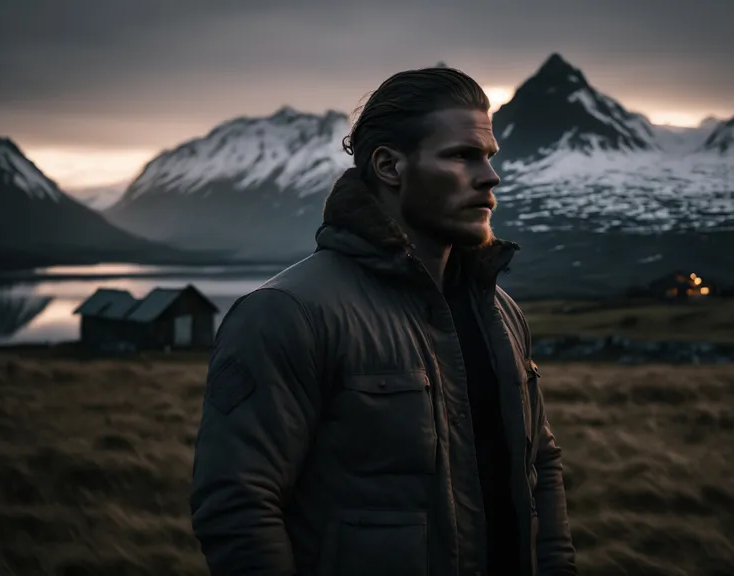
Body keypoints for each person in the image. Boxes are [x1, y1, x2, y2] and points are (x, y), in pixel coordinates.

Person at [190, 66, 577, 576]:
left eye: (488, 157)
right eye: (462, 156)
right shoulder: (287, 313)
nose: (490, 176)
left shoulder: (501, 312)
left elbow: (539, 472)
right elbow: (239, 506)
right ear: (390, 166)